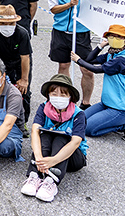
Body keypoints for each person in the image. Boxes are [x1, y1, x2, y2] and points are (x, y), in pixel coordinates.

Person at [21, 74, 88, 202]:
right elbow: (35, 131)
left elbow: (75, 142)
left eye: (63, 95)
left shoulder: (79, 114)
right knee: (44, 134)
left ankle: (51, 181)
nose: (58, 98)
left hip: (73, 157)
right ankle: (35, 175)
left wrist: (53, 160)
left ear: (70, 97)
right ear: (48, 95)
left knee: (61, 137)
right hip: (47, 155)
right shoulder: (44, 107)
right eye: (54, 93)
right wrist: (39, 157)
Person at [72, 25, 125, 140]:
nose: (114, 39)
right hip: (107, 103)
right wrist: (100, 46)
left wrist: (78, 60)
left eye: (118, 37)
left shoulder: (122, 60)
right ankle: (114, 122)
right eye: (111, 36)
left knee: (88, 129)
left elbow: (96, 69)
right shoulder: (112, 53)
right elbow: (90, 60)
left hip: (121, 109)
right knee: (78, 120)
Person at [49, 0, 94, 108]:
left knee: (86, 69)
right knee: (63, 66)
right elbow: (53, 8)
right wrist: (69, 4)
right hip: (61, 32)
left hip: (80, 32)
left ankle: (86, 103)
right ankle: (63, 99)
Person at [0, 5, 32, 123]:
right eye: (3, 24)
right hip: (1, 63)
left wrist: (24, 79)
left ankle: (22, 121)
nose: (7, 27)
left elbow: (25, 58)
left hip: (19, 63)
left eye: (11, 24)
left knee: (23, 92)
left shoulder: (22, 33)